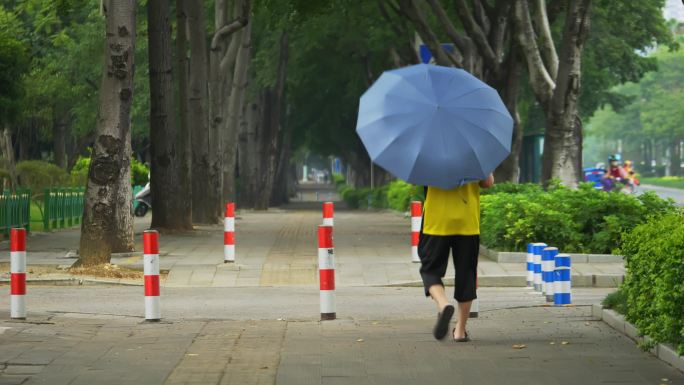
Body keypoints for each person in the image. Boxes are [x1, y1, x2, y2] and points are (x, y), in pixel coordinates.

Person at [418, 174, 494, 341]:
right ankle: (460, 331)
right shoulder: (476, 151)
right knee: (466, 274)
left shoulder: (428, 152)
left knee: (430, 269)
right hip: (467, 221)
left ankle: (443, 304)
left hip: (436, 221)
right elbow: (487, 182)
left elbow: (418, 178)